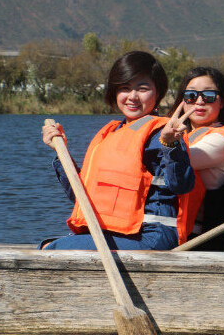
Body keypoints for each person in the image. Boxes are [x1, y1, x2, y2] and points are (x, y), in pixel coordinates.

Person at [41, 51, 196, 250]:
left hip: (150, 235)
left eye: (142, 88)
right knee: (50, 245)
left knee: (52, 249)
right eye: (124, 88)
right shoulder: (110, 133)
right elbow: (81, 197)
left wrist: (171, 145)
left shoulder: (165, 132)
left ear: (158, 92)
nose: (132, 97)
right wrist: (61, 152)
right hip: (115, 233)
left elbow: (181, 185)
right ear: (114, 92)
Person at [169, 67, 224, 251]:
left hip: (204, 243)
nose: (199, 101)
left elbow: (177, 159)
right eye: (190, 95)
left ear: (221, 102)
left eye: (209, 96)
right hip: (176, 236)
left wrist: (164, 139)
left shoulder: (221, 140)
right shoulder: (184, 136)